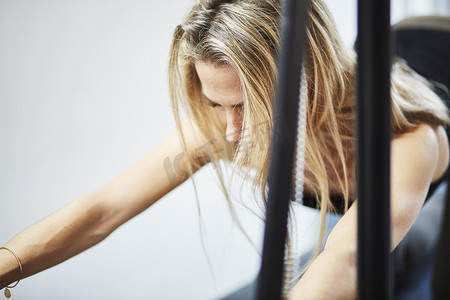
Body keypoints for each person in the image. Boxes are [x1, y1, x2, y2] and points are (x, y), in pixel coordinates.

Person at [1, 0, 449, 299]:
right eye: (218, 104)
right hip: (367, 70)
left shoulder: (409, 139)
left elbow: (349, 257)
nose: (232, 132)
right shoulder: (225, 125)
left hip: (430, 100)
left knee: (407, 256)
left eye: (248, 105)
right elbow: (103, 209)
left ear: (305, 83)